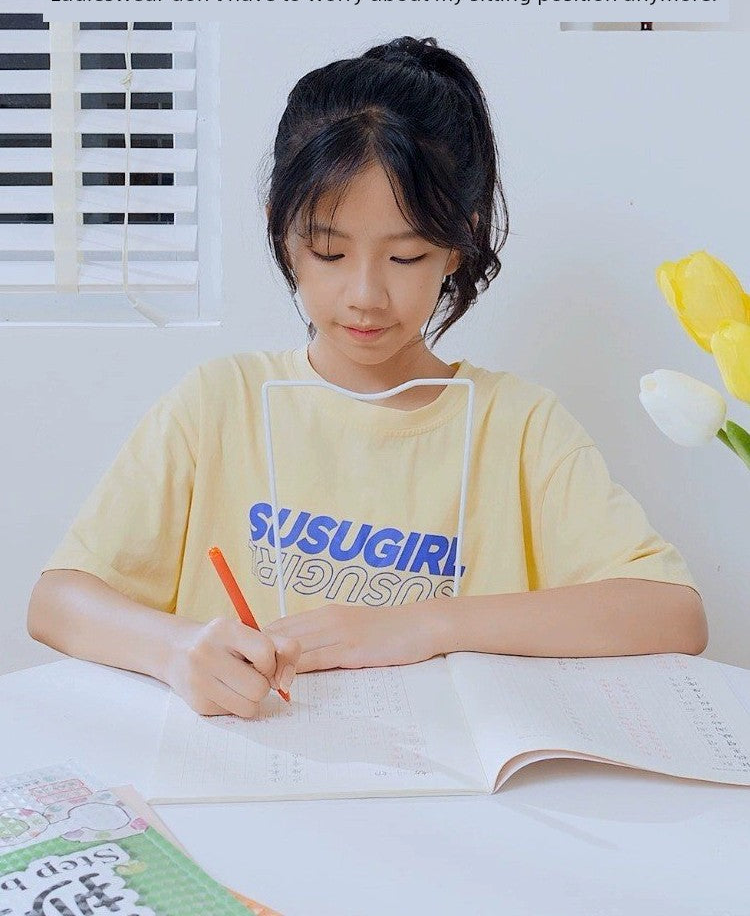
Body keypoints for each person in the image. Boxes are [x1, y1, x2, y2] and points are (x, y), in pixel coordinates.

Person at [28, 36, 708, 720]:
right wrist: (175, 649)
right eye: (328, 251)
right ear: (283, 233)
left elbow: (671, 613)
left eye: (406, 256)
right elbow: (57, 600)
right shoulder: (219, 404)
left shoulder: (516, 424)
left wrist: (426, 624)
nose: (365, 294)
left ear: (457, 244)